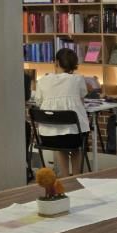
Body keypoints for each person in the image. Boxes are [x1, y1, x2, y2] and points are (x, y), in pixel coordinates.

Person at [34, 48, 90, 177]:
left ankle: (65, 177)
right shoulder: (78, 79)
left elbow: (38, 102)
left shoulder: (43, 80)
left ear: (57, 62)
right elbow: (82, 99)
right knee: (75, 145)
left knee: (60, 138)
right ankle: (76, 176)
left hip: (48, 138)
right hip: (73, 137)